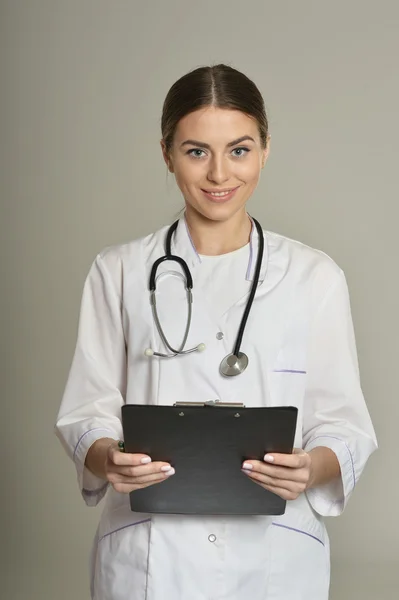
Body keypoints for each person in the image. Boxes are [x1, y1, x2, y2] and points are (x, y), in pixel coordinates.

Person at [55, 64, 377, 600]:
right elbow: (85, 412)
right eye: (196, 151)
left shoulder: (314, 277)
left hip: (275, 557)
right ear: (166, 153)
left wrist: (310, 468)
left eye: (240, 150)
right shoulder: (119, 271)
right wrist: (106, 455)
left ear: (266, 149)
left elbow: (342, 423)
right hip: (151, 559)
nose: (220, 174)